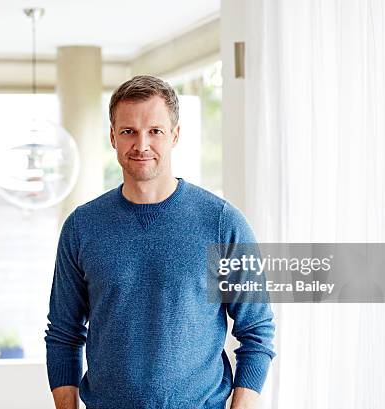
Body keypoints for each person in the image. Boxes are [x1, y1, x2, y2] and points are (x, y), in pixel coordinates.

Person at [44, 75, 275, 409]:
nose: (141, 145)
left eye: (155, 131)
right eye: (128, 132)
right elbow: (64, 333)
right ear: (112, 137)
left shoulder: (223, 223)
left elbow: (257, 329)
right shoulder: (82, 226)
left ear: (174, 135)